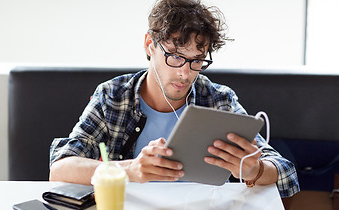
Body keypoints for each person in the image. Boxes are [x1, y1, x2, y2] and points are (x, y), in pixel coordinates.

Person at [49, 0, 299, 198]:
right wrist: (131, 170)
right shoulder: (113, 97)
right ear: (149, 45)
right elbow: (60, 168)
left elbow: (286, 172)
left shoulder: (217, 99)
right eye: (175, 56)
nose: (185, 72)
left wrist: (254, 170)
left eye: (196, 60)